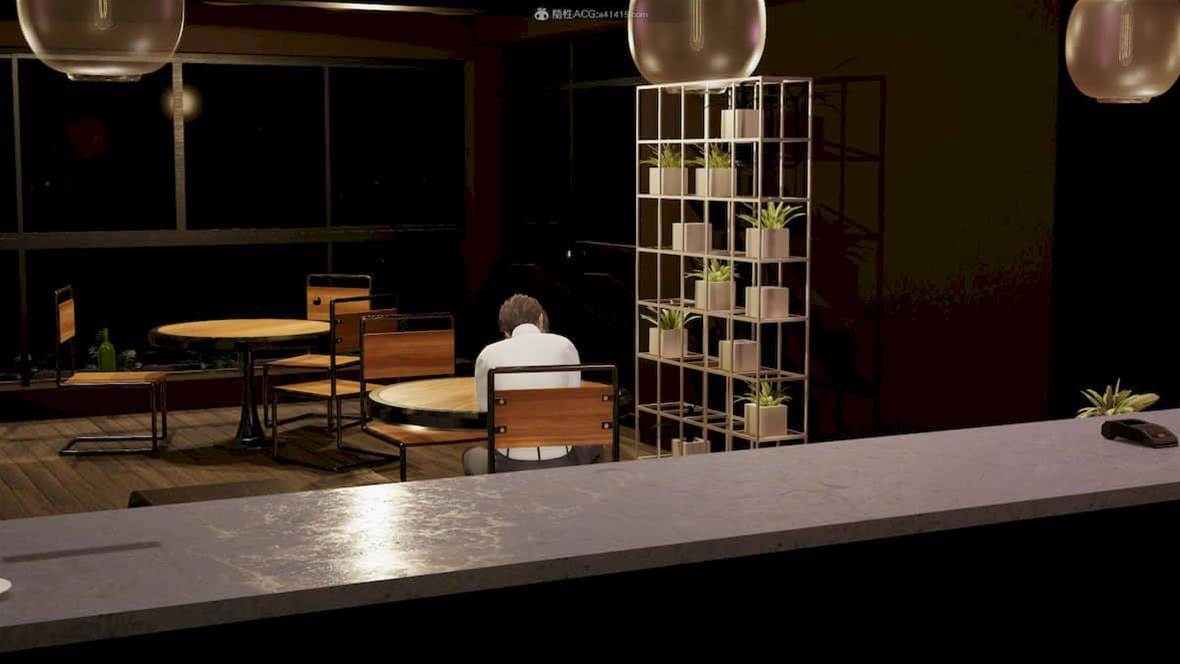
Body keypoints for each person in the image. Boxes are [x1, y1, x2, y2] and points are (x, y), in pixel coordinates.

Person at [463, 294, 601, 475]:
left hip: (509, 464)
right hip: (562, 459)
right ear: (541, 319)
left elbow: (486, 411)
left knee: (470, 455)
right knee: (595, 443)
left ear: (506, 332)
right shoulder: (565, 345)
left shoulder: (488, 354)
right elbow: (571, 400)